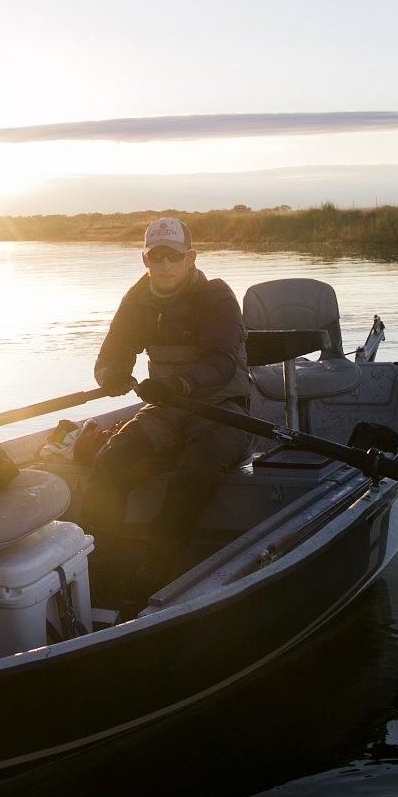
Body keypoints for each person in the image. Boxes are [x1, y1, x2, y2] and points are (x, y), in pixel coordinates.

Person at [80, 217, 253, 579]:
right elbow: (110, 356)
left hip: (221, 409)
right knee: (110, 462)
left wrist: (178, 386)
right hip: (165, 409)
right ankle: (102, 564)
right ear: (145, 259)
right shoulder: (136, 298)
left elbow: (221, 363)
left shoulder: (216, 296)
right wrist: (111, 376)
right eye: (155, 256)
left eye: (172, 257)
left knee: (196, 469)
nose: (164, 265)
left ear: (190, 258)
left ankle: (158, 566)